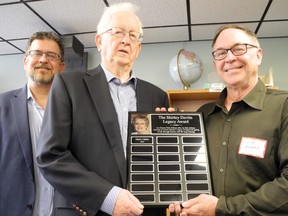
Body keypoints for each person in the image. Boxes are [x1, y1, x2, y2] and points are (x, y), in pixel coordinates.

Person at [37, 2, 170, 216]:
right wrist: (107, 197)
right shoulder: (68, 85)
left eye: (133, 36)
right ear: (99, 41)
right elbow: (50, 156)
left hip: (144, 211)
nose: (126, 40)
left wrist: (171, 139)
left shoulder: (157, 96)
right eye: (118, 32)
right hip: (87, 210)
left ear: (138, 48)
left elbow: (161, 160)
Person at [169, 24, 288, 215]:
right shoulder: (202, 115)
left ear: (258, 55)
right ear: (215, 63)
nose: (230, 58)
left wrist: (221, 208)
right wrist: (162, 129)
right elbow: (185, 171)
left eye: (239, 49)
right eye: (221, 53)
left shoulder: (284, 106)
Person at [0, 32, 65, 216]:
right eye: (36, 53)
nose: (43, 60)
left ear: (61, 67)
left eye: (51, 56)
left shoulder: (76, 110)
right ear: (25, 61)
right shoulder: (2, 106)